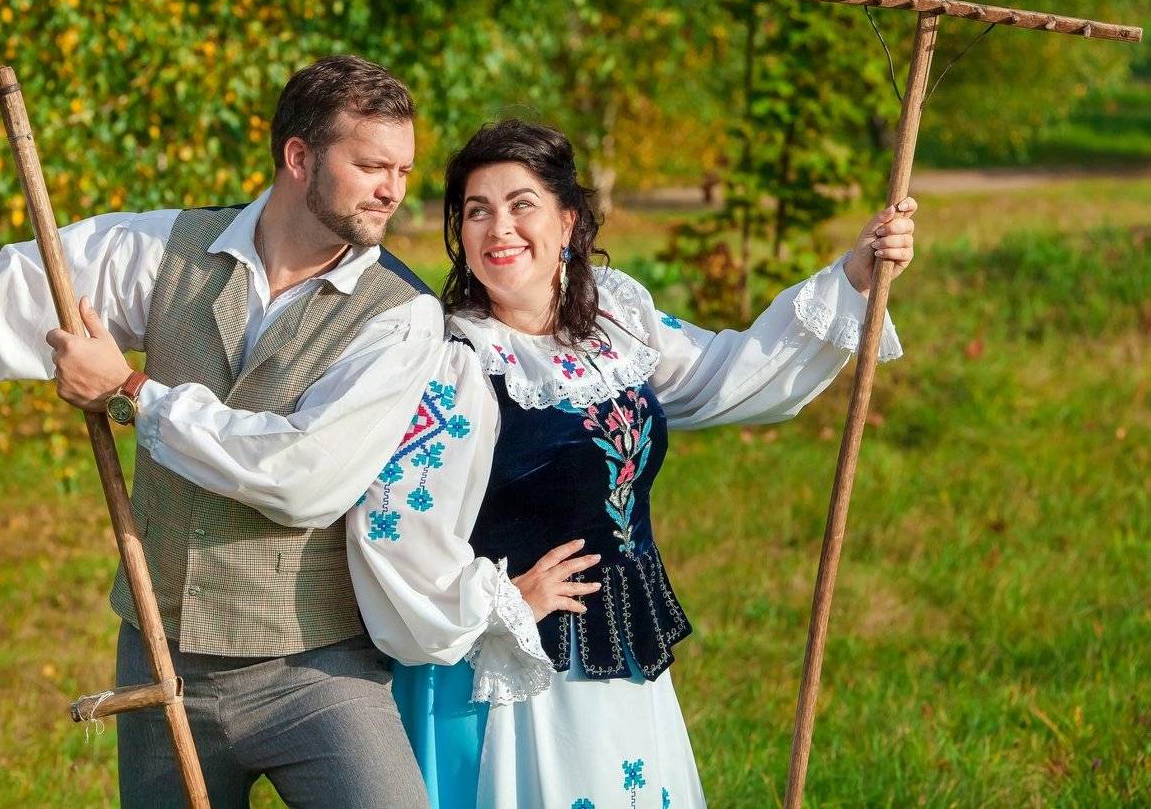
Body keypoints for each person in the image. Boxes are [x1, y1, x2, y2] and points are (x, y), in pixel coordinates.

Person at [0, 55, 459, 807]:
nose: (393, 190)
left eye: (404, 170)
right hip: (161, 655)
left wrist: (131, 392)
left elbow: (304, 477)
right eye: (372, 166)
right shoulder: (168, 248)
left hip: (315, 668)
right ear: (298, 157)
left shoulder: (402, 314)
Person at [346, 120, 916, 808]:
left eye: (522, 204)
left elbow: (722, 374)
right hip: (515, 671)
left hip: (622, 642)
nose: (500, 228)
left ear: (567, 221)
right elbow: (394, 522)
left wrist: (853, 274)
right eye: (477, 210)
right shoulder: (455, 361)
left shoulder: (614, 321)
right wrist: (501, 601)